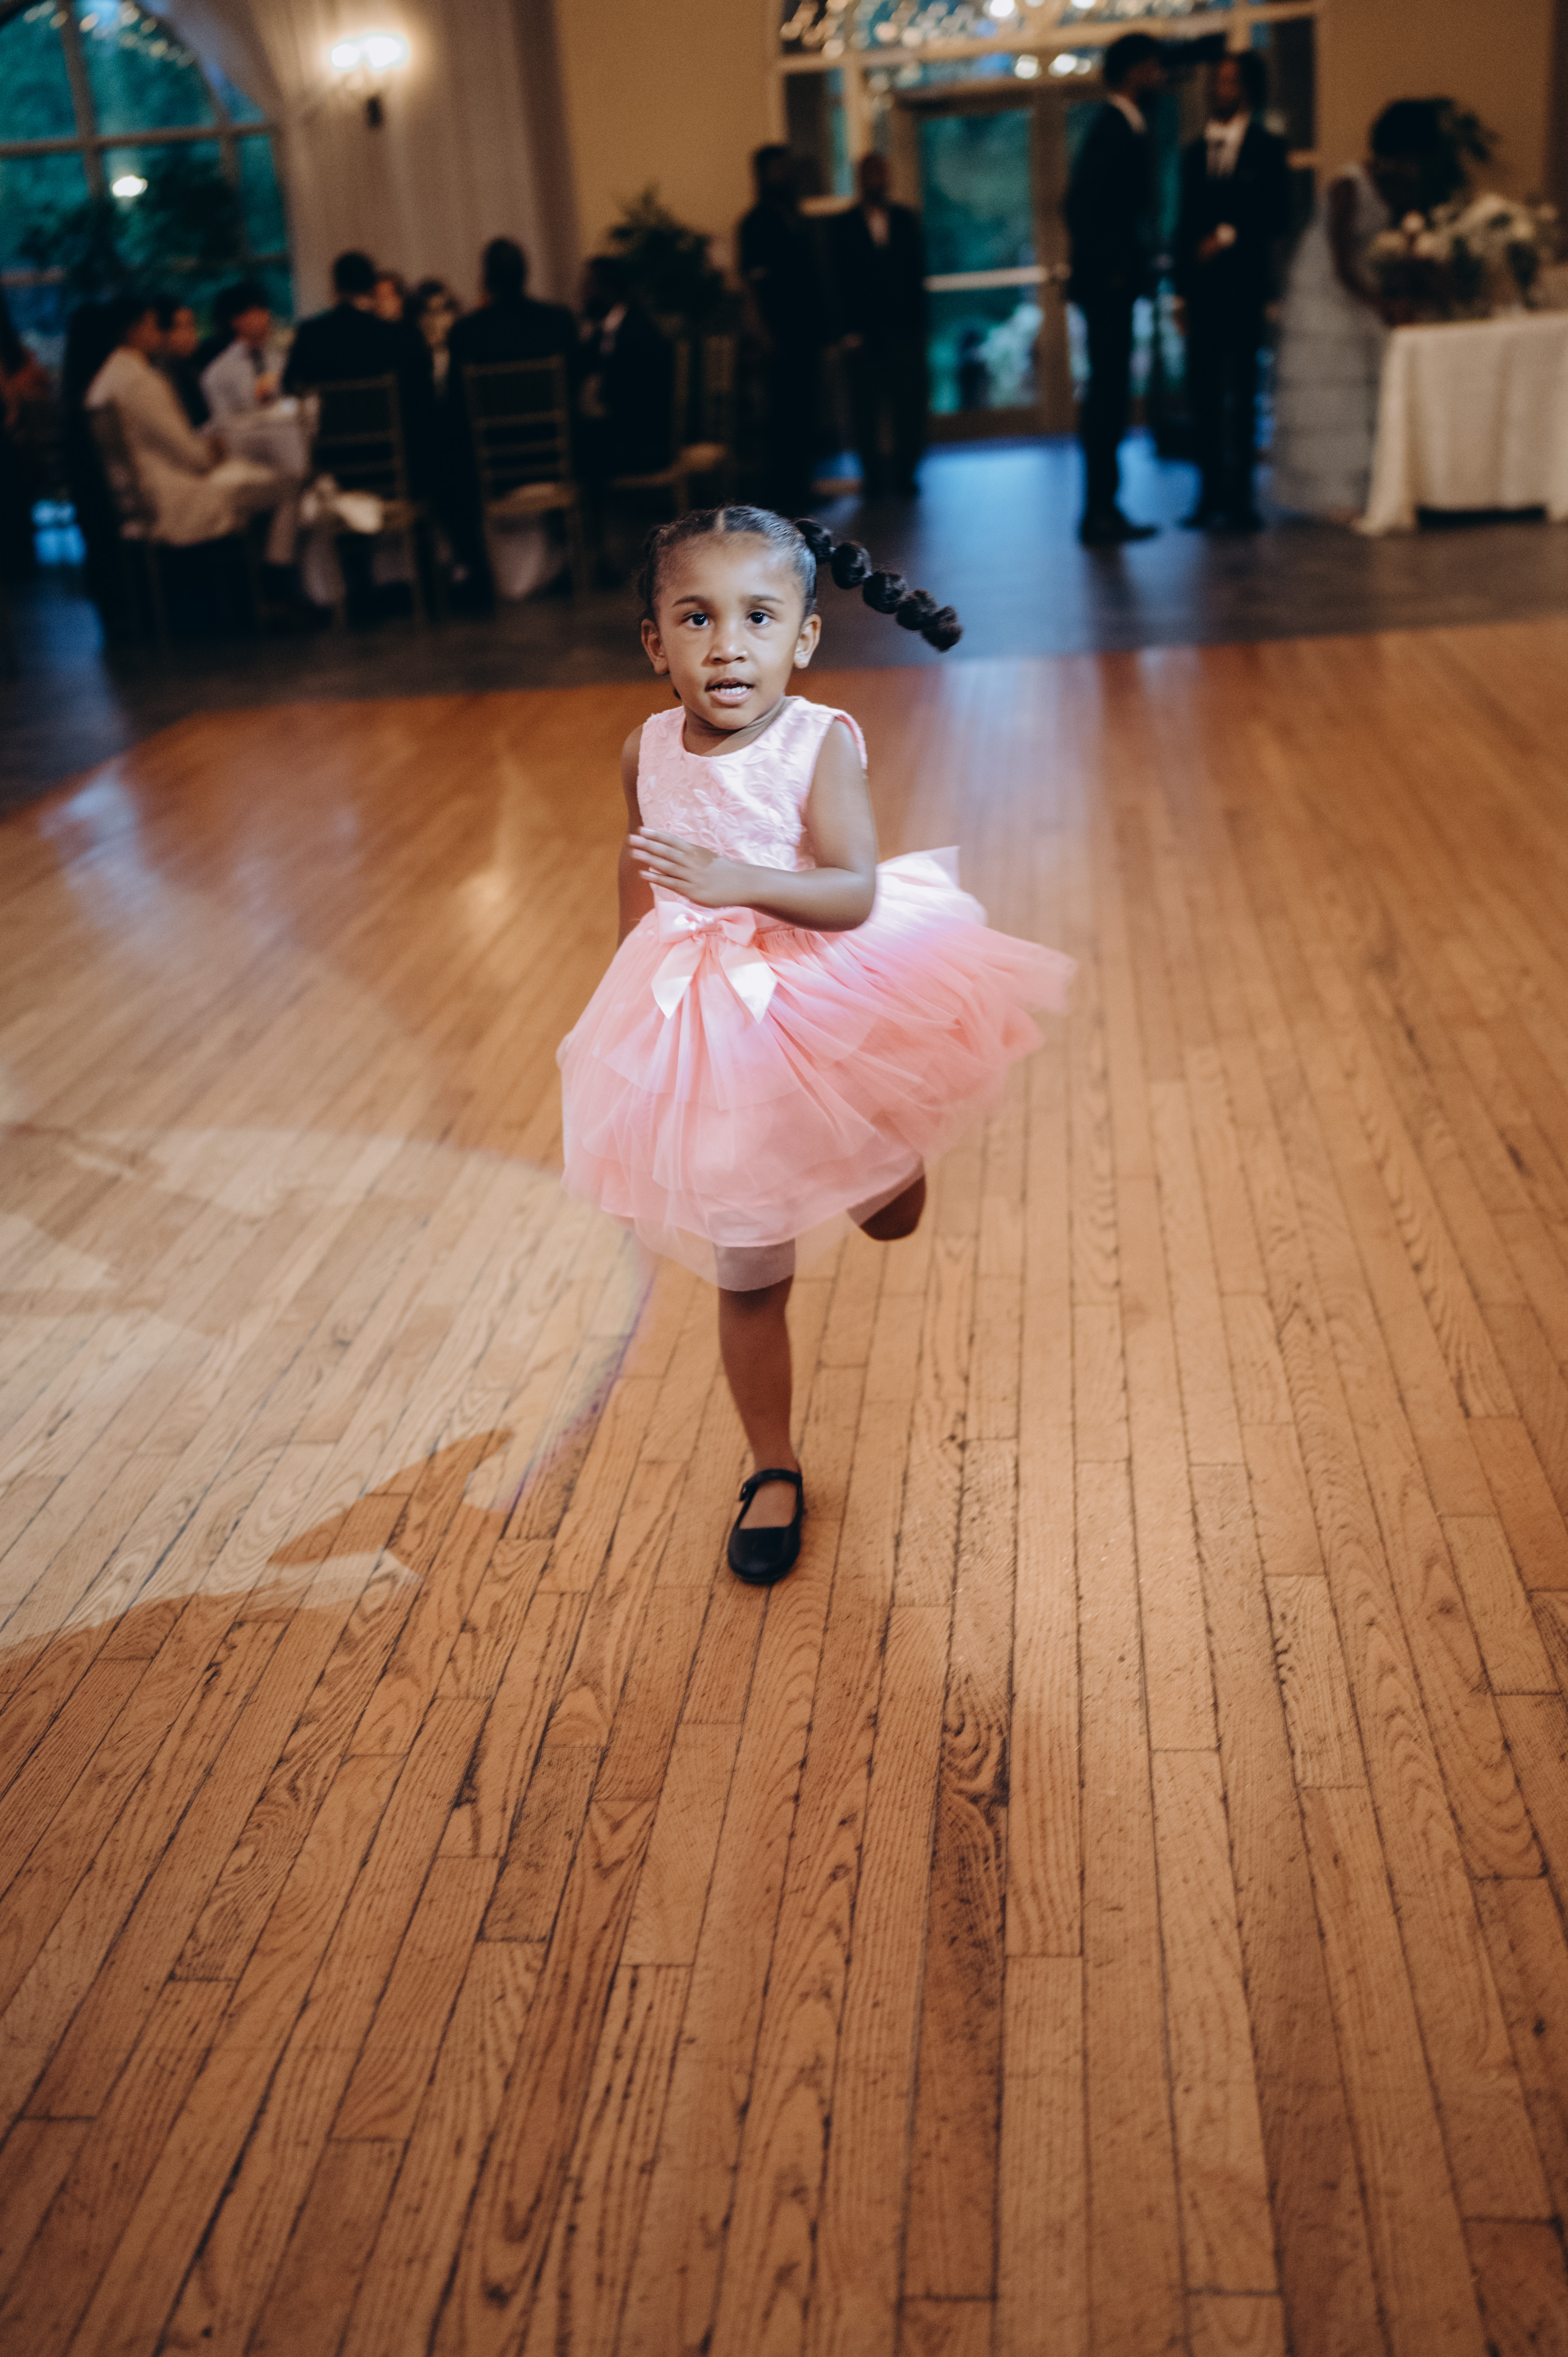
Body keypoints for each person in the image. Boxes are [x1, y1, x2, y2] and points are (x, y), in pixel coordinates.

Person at [557, 506, 1072, 1582]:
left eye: (758, 617)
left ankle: (889, 1153)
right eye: (695, 618)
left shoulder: (817, 739)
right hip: (712, 1021)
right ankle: (772, 1465)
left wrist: (737, 881)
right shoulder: (646, 748)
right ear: (655, 641)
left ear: (803, 637)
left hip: (823, 991)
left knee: (889, 1216)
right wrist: (630, 976)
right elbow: (639, 863)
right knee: (748, 1270)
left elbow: (851, 889)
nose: (726, 645)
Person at [1271, 100, 1455, 522]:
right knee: (1335, 394)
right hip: (1325, 291)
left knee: (1366, 388)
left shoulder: (1400, 184)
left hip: (1359, 283)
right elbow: (1338, 263)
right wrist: (1381, 304)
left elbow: (1401, 242)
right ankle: (1332, 495)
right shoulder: (1347, 186)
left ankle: (1367, 487)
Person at [1173, 49, 1291, 531]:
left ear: (1247, 89)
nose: (1221, 91)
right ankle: (1207, 496)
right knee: (1202, 394)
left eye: (1230, 82)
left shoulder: (1267, 147)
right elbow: (1183, 223)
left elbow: (1278, 215)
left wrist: (1226, 236)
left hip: (1244, 288)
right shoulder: (1192, 152)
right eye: (1217, 82)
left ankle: (1241, 498)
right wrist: (1180, 292)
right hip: (1202, 292)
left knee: (1242, 393)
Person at [1064, 31, 1167, 545]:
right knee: (1107, 398)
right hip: (1109, 287)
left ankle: (1105, 507)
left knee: (1111, 395)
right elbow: (1081, 206)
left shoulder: (1126, 125)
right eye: (1154, 67)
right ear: (1134, 71)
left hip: (1113, 284)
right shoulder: (1113, 127)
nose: (1161, 77)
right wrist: (1114, 272)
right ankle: (1099, 511)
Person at [85, 293, 290, 551]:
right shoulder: (141, 382)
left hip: (140, 502)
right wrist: (216, 449)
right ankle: (275, 567)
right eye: (153, 325)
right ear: (136, 330)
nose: (159, 333)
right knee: (288, 482)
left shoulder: (105, 382)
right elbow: (195, 458)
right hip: (173, 502)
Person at [442, 237, 576, 607]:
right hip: (556, 459)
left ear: (486, 279)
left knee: (446, 450)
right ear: (525, 274)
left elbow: (456, 405)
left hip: (492, 468)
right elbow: (574, 385)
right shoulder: (558, 321)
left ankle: (473, 566)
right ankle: (585, 552)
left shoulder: (466, 332)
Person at [284, 249, 435, 482]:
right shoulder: (403, 337)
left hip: (335, 461)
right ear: (373, 287)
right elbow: (424, 396)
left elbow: (290, 385)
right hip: (394, 459)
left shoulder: (311, 335)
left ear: (335, 289)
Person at [830, 150, 928, 499]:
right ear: (861, 179)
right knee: (865, 410)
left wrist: (919, 329)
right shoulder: (843, 225)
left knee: (908, 406)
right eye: (870, 174)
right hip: (864, 333)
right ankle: (873, 477)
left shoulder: (904, 219)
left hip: (903, 330)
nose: (876, 180)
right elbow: (838, 281)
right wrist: (847, 332)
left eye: (881, 173)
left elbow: (915, 276)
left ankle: (906, 474)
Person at [739, 147, 827, 516]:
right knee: (781, 417)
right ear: (762, 174)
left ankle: (802, 488)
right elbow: (750, 285)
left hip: (805, 334)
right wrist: (762, 335)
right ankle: (781, 495)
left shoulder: (796, 217)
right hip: (777, 336)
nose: (785, 175)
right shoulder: (756, 222)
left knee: (805, 413)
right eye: (777, 169)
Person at [201, 281, 284, 417]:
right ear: (236, 321)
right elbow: (225, 423)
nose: (267, 317)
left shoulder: (279, 358)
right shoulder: (218, 373)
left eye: (265, 310)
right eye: (258, 311)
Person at [158, 299, 210, 428]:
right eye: (183, 327)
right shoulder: (164, 378)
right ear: (162, 334)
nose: (192, 334)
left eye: (192, 326)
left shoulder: (193, 365)